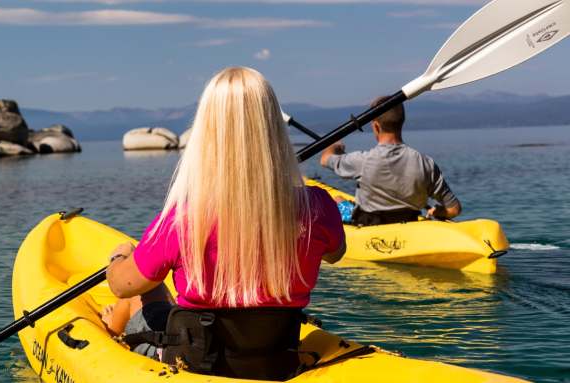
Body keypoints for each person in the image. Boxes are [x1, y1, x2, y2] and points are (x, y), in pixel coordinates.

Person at [102, 67, 346, 381]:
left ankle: (111, 332)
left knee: (142, 294)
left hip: (195, 364)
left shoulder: (182, 218)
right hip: (274, 361)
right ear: (272, 127)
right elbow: (335, 253)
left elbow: (121, 285)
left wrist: (119, 256)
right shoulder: (318, 207)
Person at [320, 97, 461, 226]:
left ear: (376, 126)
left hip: (367, 227)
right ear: (401, 122)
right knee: (341, 199)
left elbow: (325, 159)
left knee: (335, 199)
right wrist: (438, 212)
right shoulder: (426, 164)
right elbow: (454, 209)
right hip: (408, 223)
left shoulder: (362, 161)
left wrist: (336, 146)